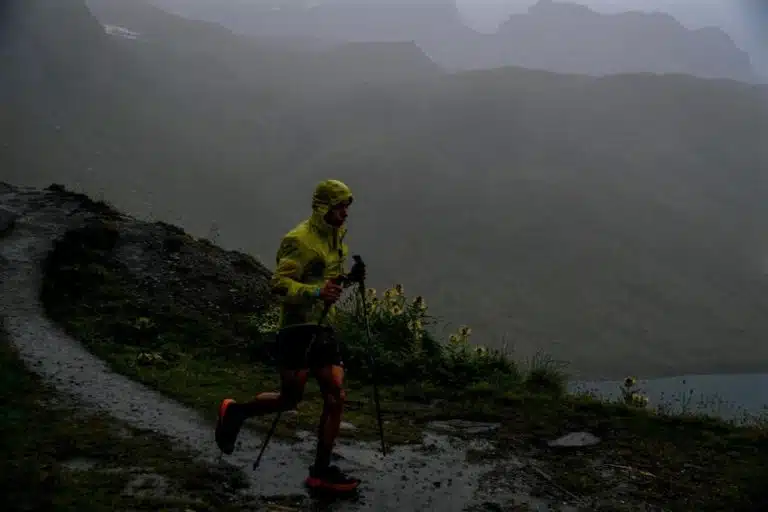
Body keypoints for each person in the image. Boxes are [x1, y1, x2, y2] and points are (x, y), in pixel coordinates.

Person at [215, 179, 364, 493]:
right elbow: (279, 285)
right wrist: (316, 292)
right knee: (290, 399)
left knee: (335, 395)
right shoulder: (298, 240)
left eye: (346, 207)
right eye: (339, 207)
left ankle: (320, 472)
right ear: (323, 207)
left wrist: (351, 279)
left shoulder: (336, 239)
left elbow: (329, 282)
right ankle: (236, 412)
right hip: (296, 327)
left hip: (323, 326)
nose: (345, 213)